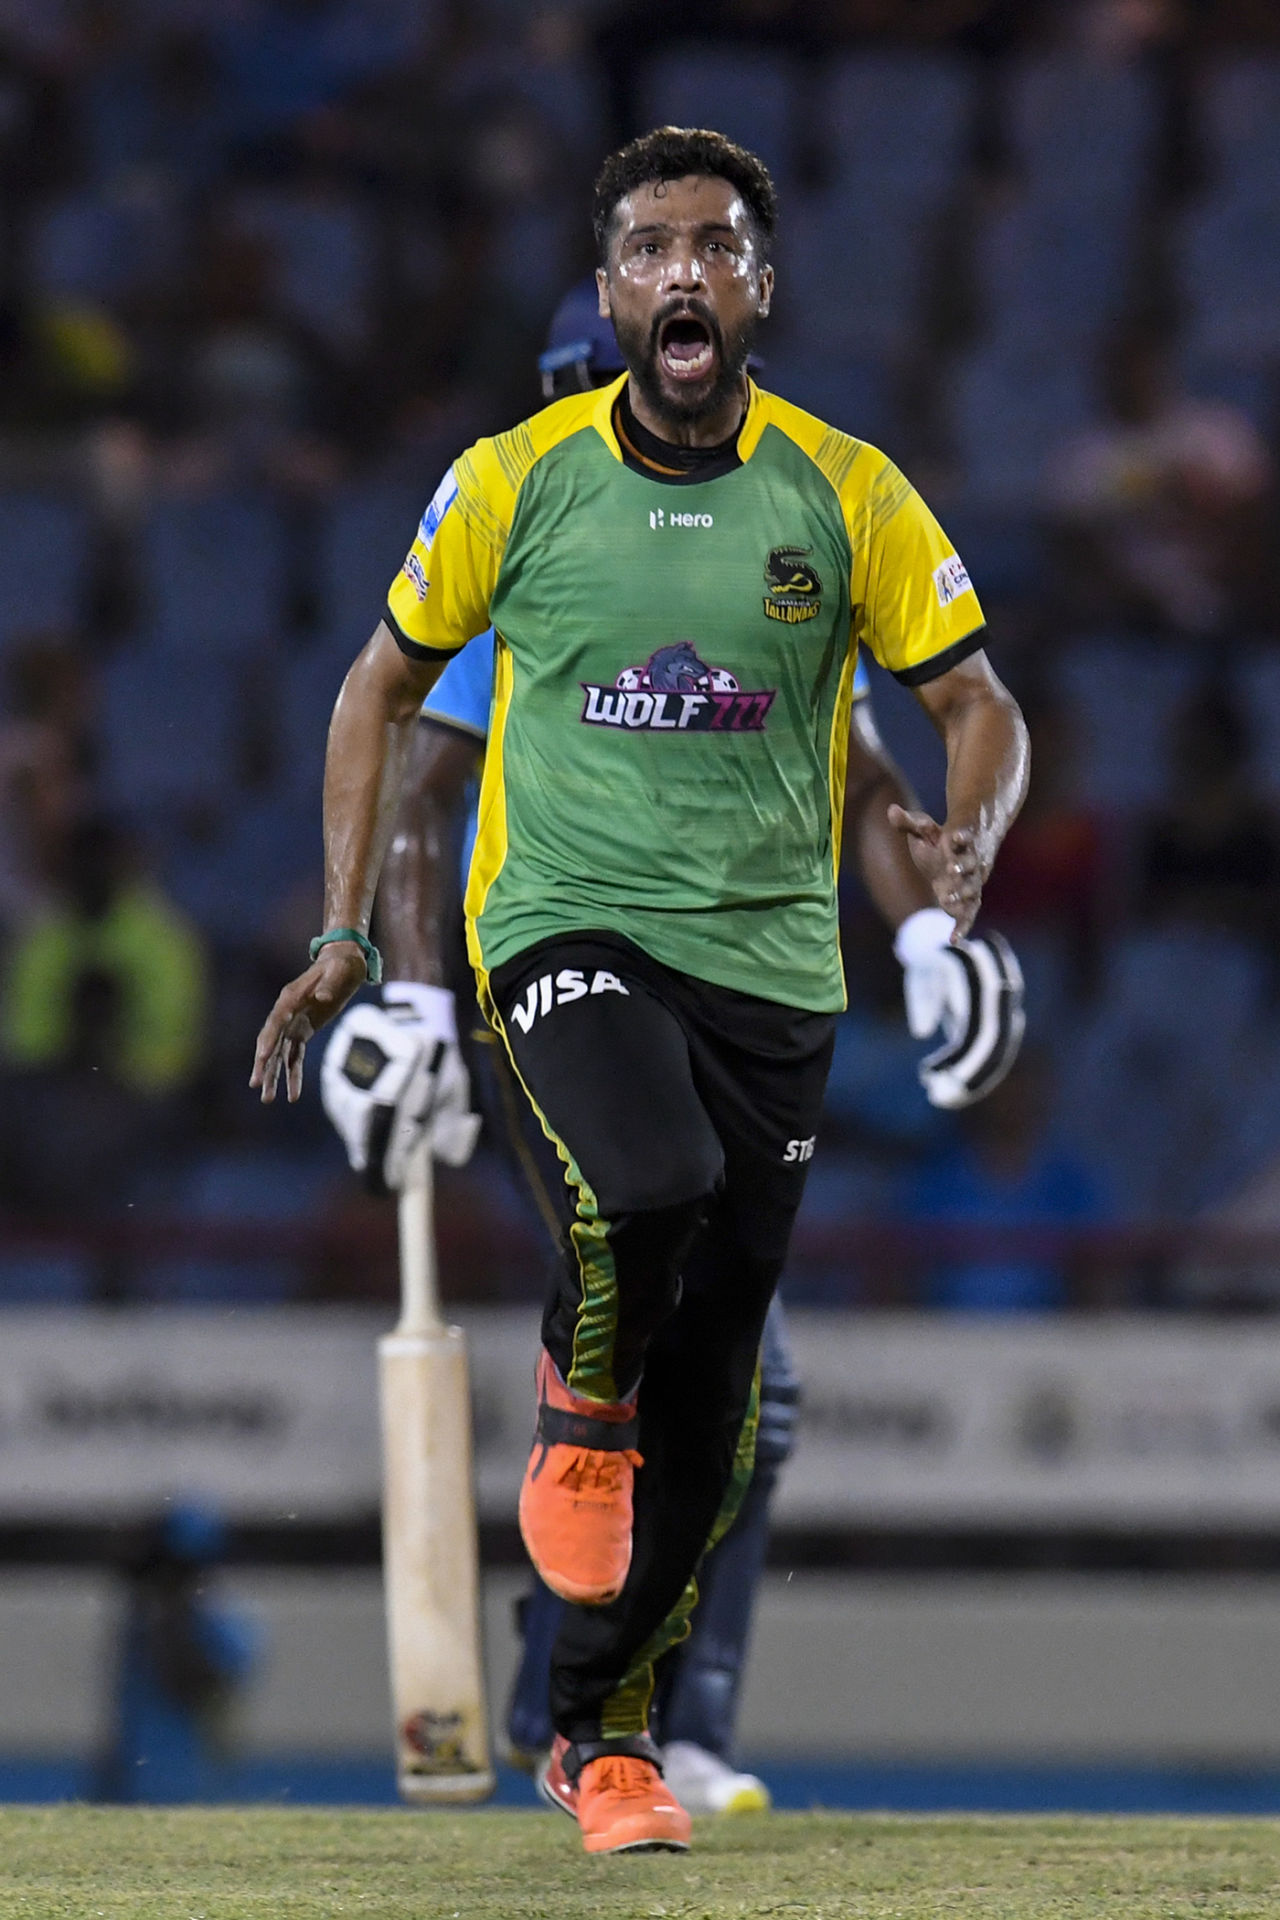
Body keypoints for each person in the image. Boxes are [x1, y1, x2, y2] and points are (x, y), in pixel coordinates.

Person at [253, 126, 1030, 1855]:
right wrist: (394, 987)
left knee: (733, 1376)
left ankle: (611, 1723)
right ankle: (599, 1654)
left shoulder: (823, 506)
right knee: (648, 1228)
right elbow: (424, 770)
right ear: (607, 314)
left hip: (755, 987)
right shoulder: (529, 510)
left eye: (712, 255)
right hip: (545, 975)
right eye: (641, 268)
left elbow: (867, 759)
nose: (676, 290)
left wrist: (932, 930)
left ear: (753, 292)